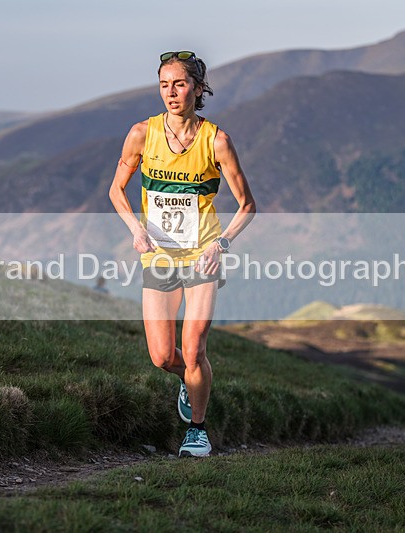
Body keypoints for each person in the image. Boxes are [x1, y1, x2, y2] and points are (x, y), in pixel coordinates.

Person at [109, 51, 256, 457]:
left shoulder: (217, 141)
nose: (171, 93)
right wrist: (135, 228)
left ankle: (197, 430)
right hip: (158, 258)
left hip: (201, 258)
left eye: (179, 84)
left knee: (193, 348)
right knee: (161, 356)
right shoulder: (142, 134)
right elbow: (116, 190)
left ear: (198, 87)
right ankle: (192, 381)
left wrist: (221, 243)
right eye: (164, 85)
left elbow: (248, 205)